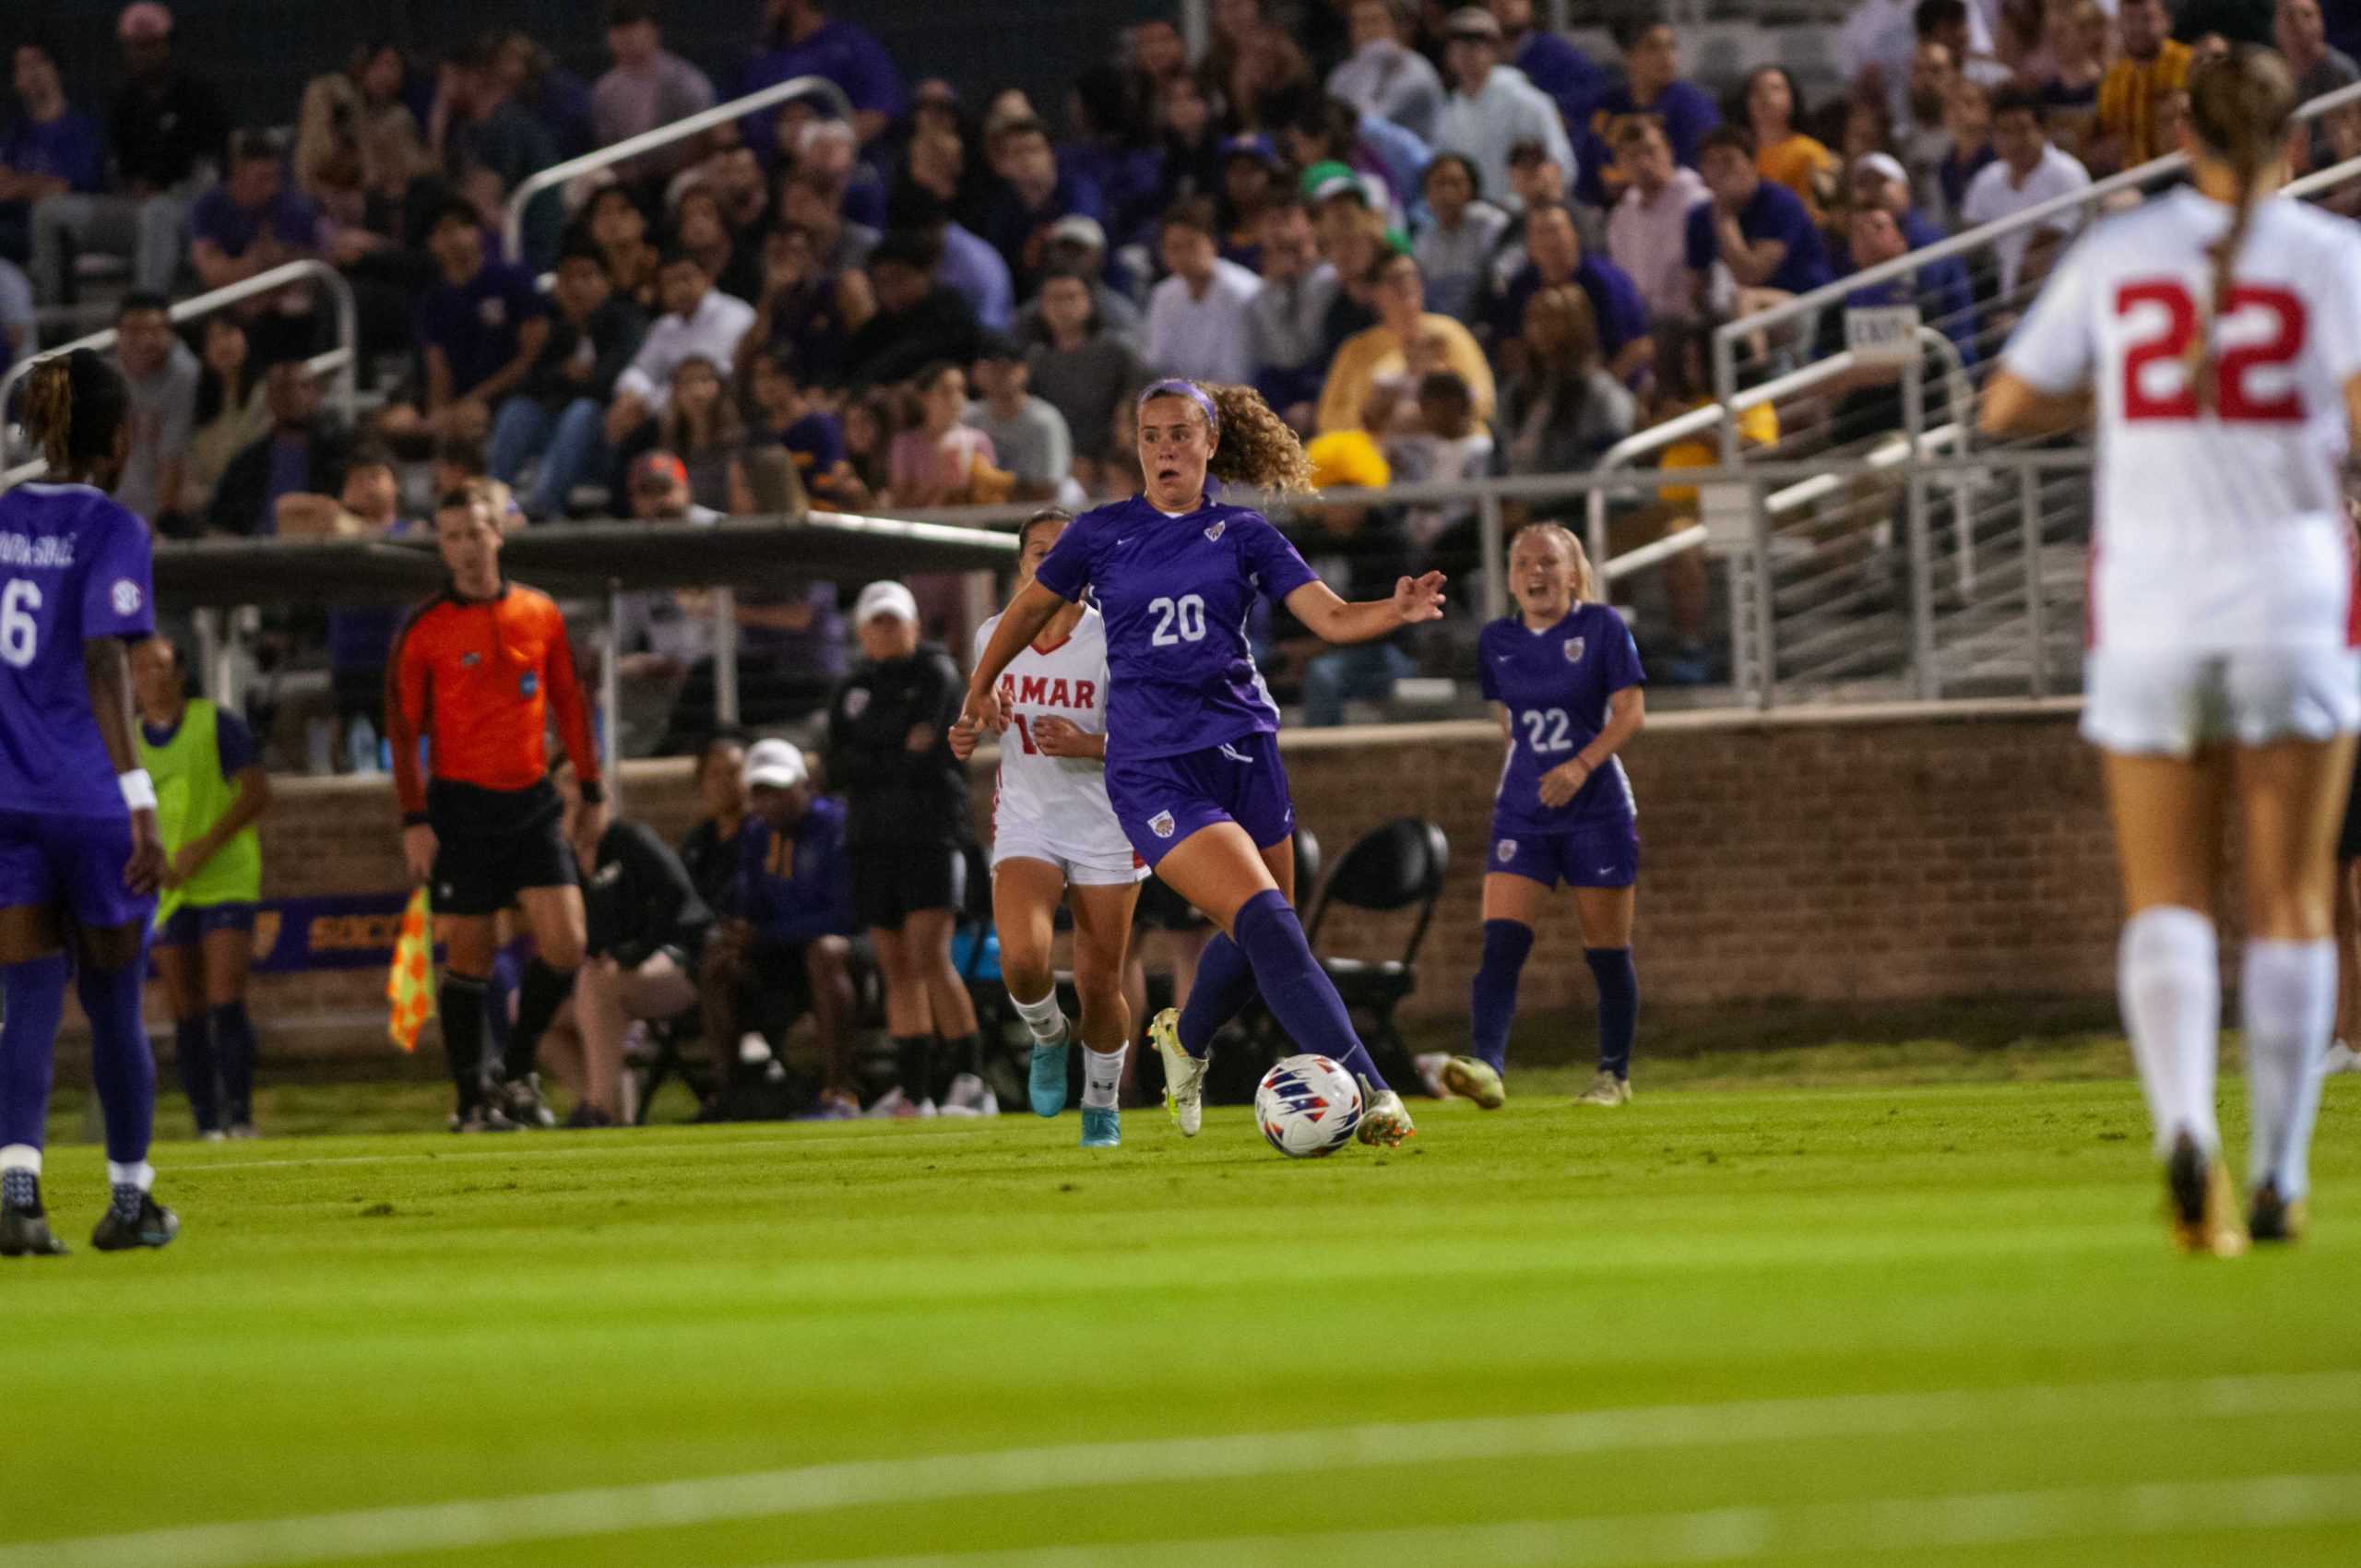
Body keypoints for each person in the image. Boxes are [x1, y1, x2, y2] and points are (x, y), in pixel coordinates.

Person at [1980, 44, 2361, 1253]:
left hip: (2150, 604)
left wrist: (2131, 401)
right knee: (2296, 896)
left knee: (2169, 898)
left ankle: (2182, 1129)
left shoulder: (2120, 250)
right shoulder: (2333, 258)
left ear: (2180, 134)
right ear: (2294, 144)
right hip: (2293, 597)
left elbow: (2004, 405)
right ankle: (2282, 1173)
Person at [961, 378, 1441, 1147]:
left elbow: (1327, 613)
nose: (1164, 449)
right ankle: (1374, 1089)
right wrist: (979, 689)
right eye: (1150, 436)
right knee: (1272, 927)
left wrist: (1396, 609)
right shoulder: (1101, 533)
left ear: (1211, 443)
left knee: (1263, 936)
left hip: (1246, 750)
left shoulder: (1243, 533)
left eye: (1180, 433)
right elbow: (1022, 613)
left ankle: (1185, 1042)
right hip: (1154, 766)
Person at [0, 348, 176, 1257]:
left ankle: (17, 1187)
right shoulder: (115, 528)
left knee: (25, 997)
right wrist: (140, 802)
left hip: (8, 798)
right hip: (90, 798)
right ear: (118, 435)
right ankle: (129, 1197)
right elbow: (107, 657)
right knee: (113, 999)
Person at [386, 482, 606, 1133]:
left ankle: (513, 1069)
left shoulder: (540, 612)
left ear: (500, 533)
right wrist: (415, 819)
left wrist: (590, 787)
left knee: (568, 942)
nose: (466, 547)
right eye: (452, 536)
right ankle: (469, 1097)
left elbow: (569, 702)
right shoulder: (426, 628)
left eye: (475, 532)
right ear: (441, 546)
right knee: (470, 956)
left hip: (533, 799)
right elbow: (402, 731)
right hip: (461, 806)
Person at [950, 509, 1145, 1147]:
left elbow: (1154, 740)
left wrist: (1090, 743)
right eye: (1038, 551)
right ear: (1020, 564)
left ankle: (1101, 1101)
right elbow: (978, 715)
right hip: (1029, 816)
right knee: (1023, 960)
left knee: (1098, 983)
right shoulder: (992, 636)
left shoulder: (1115, 634)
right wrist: (968, 731)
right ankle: (1046, 1035)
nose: (1049, 562)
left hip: (1107, 822)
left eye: (1063, 552)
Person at [1439, 523, 1644, 1112]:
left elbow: (1631, 714)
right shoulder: (1496, 640)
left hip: (1596, 810)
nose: (1536, 573)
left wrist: (1580, 765)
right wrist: (1537, 773)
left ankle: (1614, 1074)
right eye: (1524, 563)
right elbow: (1509, 724)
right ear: (1509, 578)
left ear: (1574, 573)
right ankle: (1488, 1068)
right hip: (1523, 812)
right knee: (1501, 942)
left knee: (1606, 950)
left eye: (1549, 562)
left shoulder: (1602, 628)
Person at [828, 581, 987, 1117]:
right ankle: (916, 1091)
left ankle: (969, 1079)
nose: (887, 631)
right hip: (871, 837)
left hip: (928, 833)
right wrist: (897, 746)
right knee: (894, 963)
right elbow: (834, 765)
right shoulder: (851, 687)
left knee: (928, 955)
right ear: (862, 631)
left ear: (915, 626)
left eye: (895, 621)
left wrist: (871, 751)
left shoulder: (936, 674)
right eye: (878, 622)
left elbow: (933, 751)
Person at [131, 636, 268, 1141]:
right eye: (142, 668)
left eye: (162, 666)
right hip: (168, 888)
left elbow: (257, 792)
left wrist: (201, 847)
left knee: (224, 996)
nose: (153, 676)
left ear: (180, 673)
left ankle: (241, 1115)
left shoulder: (216, 723)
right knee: (184, 1008)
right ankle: (206, 1120)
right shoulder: (128, 741)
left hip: (224, 878)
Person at [537, 757, 714, 1127]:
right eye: (563, 784)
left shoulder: (629, 839)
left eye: (578, 781)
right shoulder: (561, 861)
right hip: (610, 981)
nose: (571, 792)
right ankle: (601, 1105)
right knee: (532, 1009)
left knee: (598, 980)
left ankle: (598, 1110)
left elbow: (678, 896)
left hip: (678, 965)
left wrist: (638, 952)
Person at [30, 5, 228, 304]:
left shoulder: (199, 96)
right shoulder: (123, 101)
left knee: (157, 211)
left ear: (168, 44)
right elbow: (115, 169)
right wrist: (129, 187)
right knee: (50, 212)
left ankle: (146, 314)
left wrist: (168, 191)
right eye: (135, 47)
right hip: (134, 210)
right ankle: (53, 325)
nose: (143, 54)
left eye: (150, 45)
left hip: (188, 212)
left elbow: (216, 174)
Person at [700, 739, 857, 1117]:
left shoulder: (835, 827)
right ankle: (729, 1094)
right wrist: (739, 929)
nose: (769, 801)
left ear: (804, 785)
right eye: (760, 792)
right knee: (718, 960)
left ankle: (840, 1090)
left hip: (844, 950)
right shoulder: (756, 835)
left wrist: (768, 935)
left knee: (825, 951)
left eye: (778, 790)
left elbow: (845, 915)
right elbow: (752, 902)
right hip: (782, 949)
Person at [492, 242, 648, 522]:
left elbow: (608, 383)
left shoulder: (626, 321)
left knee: (583, 410)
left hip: (609, 442)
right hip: (557, 436)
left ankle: (544, 507)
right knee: (519, 410)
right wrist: (565, 374)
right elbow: (530, 385)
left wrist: (565, 381)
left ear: (607, 281)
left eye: (587, 277)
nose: (576, 287)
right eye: (568, 278)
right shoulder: (559, 329)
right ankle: (493, 500)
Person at [1318, 249, 1497, 435]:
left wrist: (1430, 416)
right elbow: (1327, 420)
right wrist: (1371, 420)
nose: (1406, 283)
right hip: (1376, 452)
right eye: (1395, 278)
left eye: (1412, 276)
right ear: (1375, 292)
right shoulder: (1356, 348)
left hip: (1450, 443)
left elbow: (1484, 399)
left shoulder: (1448, 332)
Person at [416, 199, 549, 444]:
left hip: (513, 393)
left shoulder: (513, 278)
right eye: (444, 232)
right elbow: (438, 368)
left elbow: (531, 355)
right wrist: (439, 411)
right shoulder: (433, 299)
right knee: (399, 423)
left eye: (461, 227)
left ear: (478, 232)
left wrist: (475, 398)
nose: (455, 238)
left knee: (471, 419)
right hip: (463, 398)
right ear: (431, 243)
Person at [605, 248, 757, 458]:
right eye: (670, 283)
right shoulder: (665, 327)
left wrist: (649, 402)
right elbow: (641, 371)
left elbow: (716, 379)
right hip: (672, 412)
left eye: (686, 278)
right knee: (623, 423)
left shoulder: (734, 315)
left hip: (725, 409)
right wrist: (631, 397)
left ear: (707, 278)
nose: (680, 288)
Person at [1433, 7, 1575, 214]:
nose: (1467, 54)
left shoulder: (1526, 99)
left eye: (1476, 45)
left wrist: (1523, 202)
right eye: (1459, 46)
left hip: (1524, 218)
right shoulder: (1448, 111)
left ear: (1495, 50)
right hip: (1472, 223)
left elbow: (1562, 166)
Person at [1961, 88, 2093, 298]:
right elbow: (1968, 246)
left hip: (2070, 296)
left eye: (2023, 129)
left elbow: (2041, 250)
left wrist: (2014, 312)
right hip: (2013, 304)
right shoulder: (1986, 180)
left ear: (2044, 129)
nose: (2014, 141)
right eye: (2004, 132)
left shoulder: (2067, 173)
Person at [1144, 197, 1264, 386]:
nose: (1183, 256)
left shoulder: (1242, 292)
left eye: (1191, 245)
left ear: (1212, 243)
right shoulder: (1163, 295)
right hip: (1181, 399)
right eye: (1174, 248)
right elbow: (1157, 364)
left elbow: (1237, 373)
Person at [592, 2, 716, 184]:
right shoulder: (605, 90)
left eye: (633, 27)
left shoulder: (683, 79)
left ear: (653, 31)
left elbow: (703, 134)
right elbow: (608, 146)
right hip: (630, 180)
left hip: (685, 173)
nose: (627, 37)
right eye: (619, 30)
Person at [1607, 115, 1711, 329]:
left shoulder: (1699, 202)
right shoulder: (1621, 218)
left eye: (1650, 151)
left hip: (1697, 322)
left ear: (1669, 151)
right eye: (1632, 156)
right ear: (1620, 165)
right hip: (1646, 326)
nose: (1643, 163)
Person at [109, 291, 197, 532]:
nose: (145, 340)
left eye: (155, 331)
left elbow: (172, 456)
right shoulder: (105, 374)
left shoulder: (183, 373)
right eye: (134, 331)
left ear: (170, 333)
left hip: (165, 508)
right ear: (118, 334)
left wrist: (155, 526)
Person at [967, 336, 1074, 503]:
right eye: (991, 367)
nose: (999, 375)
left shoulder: (1043, 421)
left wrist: (996, 487)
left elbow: (1046, 489)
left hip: (1038, 516)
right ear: (977, 371)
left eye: (1007, 367)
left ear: (1024, 370)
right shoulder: (968, 418)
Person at [2092, 0, 2190, 173]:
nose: (2137, 28)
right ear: (2119, 24)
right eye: (2129, 19)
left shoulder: (2189, 65)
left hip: (2187, 172)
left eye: (2147, 18)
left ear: (2167, 21)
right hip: (2133, 183)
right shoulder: (2111, 82)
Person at [1413, 153, 1510, 327]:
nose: (1448, 193)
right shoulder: (1423, 240)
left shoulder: (1489, 223)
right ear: (1427, 194)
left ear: (1472, 189)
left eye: (1456, 183)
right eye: (1440, 184)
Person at [1329, 0, 1445, 143]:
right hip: (1363, 159)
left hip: (1415, 162)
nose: (1366, 30)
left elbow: (1367, 125)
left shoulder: (1416, 71)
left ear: (1395, 26)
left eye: (1374, 21)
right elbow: (1330, 124)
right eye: (1357, 22)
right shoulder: (1343, 73)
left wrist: (1372, 62)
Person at [1741, 65, 1836, 209]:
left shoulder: (1809, 152)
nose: (1764, 95)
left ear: (1792, 99)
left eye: (1775, 89)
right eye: (1756, 89)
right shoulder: (1737, 153)